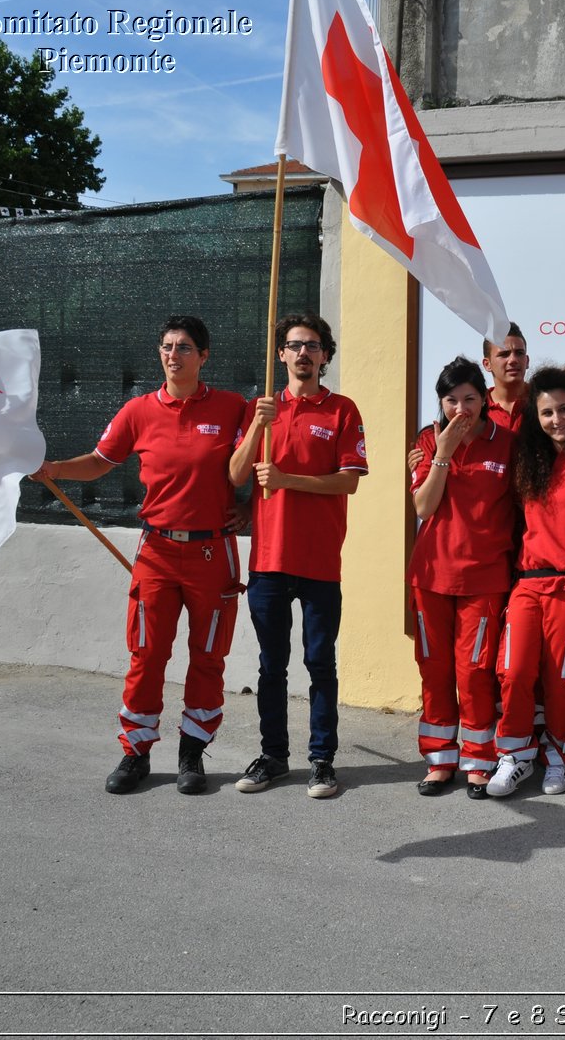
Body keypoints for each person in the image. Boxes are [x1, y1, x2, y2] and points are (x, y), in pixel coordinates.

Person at [33, 315, 247, 796]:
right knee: (146, 654)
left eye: (186, 347)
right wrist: (53, 468)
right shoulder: (138, 411)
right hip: (157, 550)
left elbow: (257, 461)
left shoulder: (235, 408)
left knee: (208, 656)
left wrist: (248, 507)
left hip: (214, 552)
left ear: (204, 356)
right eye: (168, 346)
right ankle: (136, 753)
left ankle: (192, 753)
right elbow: (99, 462)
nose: (175, 355)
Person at [227, 315, 366, 800]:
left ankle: (322, 761)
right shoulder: (260, 408)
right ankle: (273, 757)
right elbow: (237, 473)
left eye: (312, 346)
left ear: (326, 355)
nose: (303, 353)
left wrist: (287, 481)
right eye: (293, 345)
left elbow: (348, 481)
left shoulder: (342, 411)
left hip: (320, 561)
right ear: (281, 354)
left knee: (320, 663)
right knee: (271, 666)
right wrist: (256, 428)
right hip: (268, 559)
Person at [488, 367, 565, 797]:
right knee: (514, 670)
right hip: (529, 583)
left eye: (563, 409)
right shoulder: (528, 459)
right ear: (534, 417)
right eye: (546, 412)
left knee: (563, 680)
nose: (556, 419)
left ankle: (560, 757)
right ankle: (516, 755)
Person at [407, 356, 516, 798]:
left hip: (485, 576)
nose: (461, 409)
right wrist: (444, 455)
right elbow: (422, 507)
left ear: (484, 399)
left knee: (474, 671)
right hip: (431, 575)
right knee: (434, 670)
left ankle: (478, 759)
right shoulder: (427, 442)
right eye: (451, 400)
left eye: (470, 398)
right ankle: (439, 760)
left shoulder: (505, 442)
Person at [481, 323, 530, 430]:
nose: (513, 360)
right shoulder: (477, 407)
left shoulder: (544, 400)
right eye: (504, 354)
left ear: (527, 361)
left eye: (519, 353)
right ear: (487, 364)